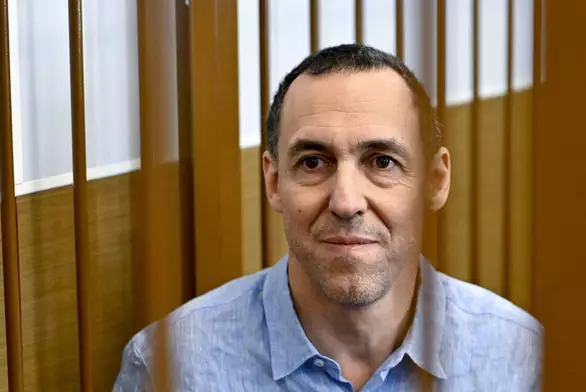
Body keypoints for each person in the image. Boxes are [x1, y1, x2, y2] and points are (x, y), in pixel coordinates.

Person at [114, 44, 542, 391]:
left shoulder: (521, 357)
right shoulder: (170, 367)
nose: (346, 201)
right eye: (315, 162)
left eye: (382, 161)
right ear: (274, 180)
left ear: (435, 181)